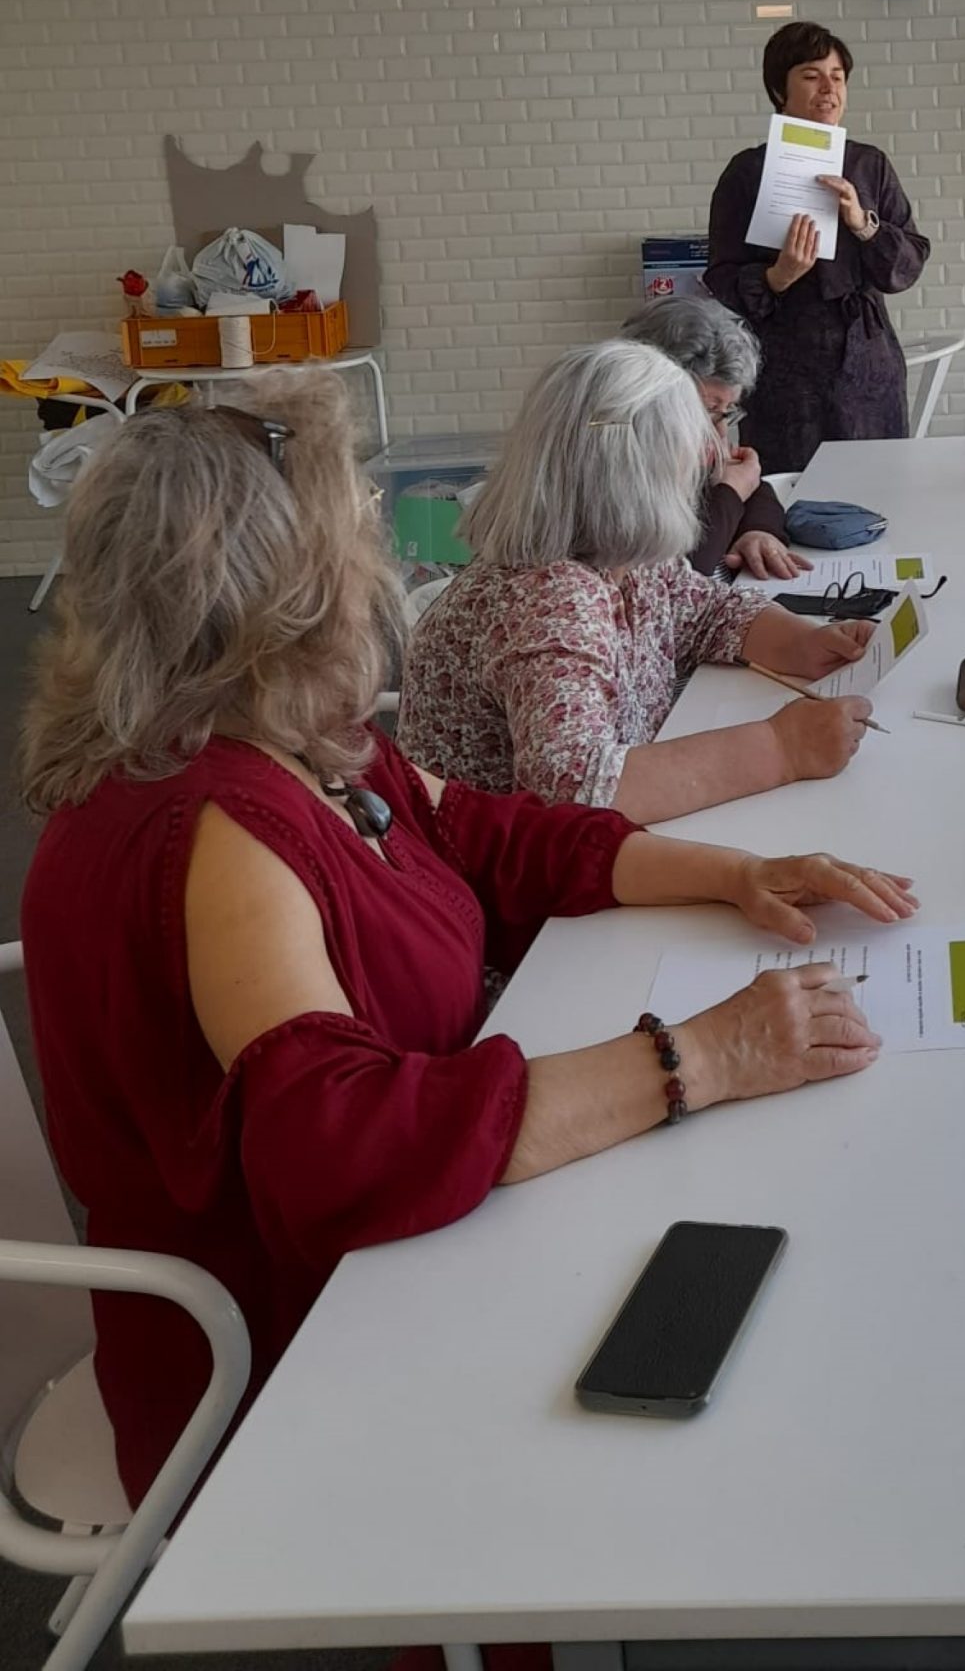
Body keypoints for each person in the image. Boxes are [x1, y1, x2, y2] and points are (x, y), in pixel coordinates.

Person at [18, 372, 914, 1506]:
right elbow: (336, 1150)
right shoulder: (219, 826)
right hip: (300, 1361)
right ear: (285, 593)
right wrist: (701, 1058)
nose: (381, 556)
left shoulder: (288, 740)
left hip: (407, 1257)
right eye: (357, 532)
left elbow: (499, 838)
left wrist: (736, 873)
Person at [400, 342, 874, 821]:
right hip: (491, 875)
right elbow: (578, 791)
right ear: (637, 482)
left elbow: (705, 612)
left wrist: (804, 643)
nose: (711, 461)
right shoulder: (549, 601)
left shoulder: (623, 555)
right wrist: (782, 747)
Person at [705, 21, 930, 471]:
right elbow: (720, 276)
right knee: (791, 493)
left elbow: (906, 267)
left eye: (838, 76)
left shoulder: (870, 165)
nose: (829, 88)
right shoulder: (746, 172)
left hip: (867, 357)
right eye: (811, 75)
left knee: (879, 490)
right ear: (778, 88)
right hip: (786, 364)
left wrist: (863, 224)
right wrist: (777, 277)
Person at [621, 295, 805, 580]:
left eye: (726, 411)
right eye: (708, 411)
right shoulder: (619, 459)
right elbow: (673, 582)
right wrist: (730, 495)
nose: (720, 432)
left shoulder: (691, 440)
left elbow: (753, 487)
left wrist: (758, 531)